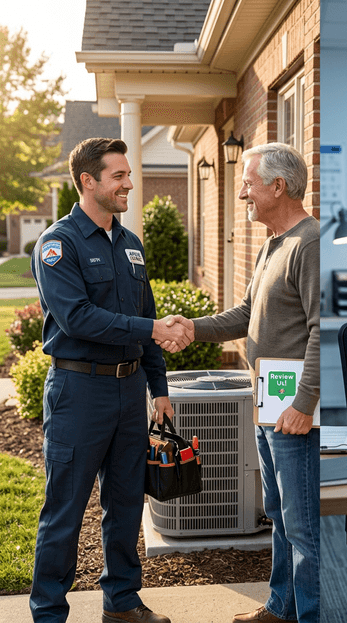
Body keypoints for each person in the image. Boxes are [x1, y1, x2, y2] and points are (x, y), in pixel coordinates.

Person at [29, 138, 193, 623]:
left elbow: (147, 318)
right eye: (118, 176)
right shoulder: (58, 244)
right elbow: (78, 318)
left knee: (125, 506)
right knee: (65, 512)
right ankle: (48, 614)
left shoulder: (131, 245)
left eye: (128, 174)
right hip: (79, 393)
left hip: (128, 394)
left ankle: (122, 603)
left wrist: (158, 389)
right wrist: (151, 330)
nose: (129, 183)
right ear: (88, 181)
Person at [160, 142, 320, 623]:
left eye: (249, 182)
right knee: (278, 515)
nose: (243, 192)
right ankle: (279, 608)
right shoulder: (273, 243)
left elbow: (321, 327)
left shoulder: (310, 244)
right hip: (267, 403)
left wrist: (305, 402)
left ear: (279, 185)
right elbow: (248, 315)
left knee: (304, 528)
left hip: (293, 412)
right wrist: (193, 328)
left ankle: (308, 615)